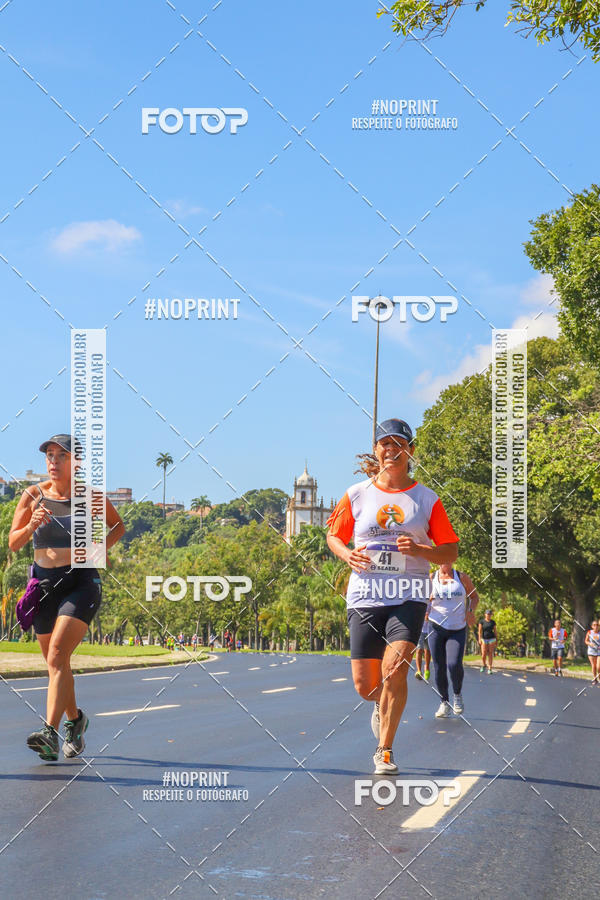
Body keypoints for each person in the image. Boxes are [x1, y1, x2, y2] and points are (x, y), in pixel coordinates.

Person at [326, 418, 459, 774]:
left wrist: (419, 549)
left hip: (409, 595)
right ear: (376, 450)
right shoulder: (357, 494)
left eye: (398, 444)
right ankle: (381, 702)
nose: (391, 450)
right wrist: (346, 554)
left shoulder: (426, 499)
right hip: (365, 595)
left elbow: (450, 551)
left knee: (395, 668)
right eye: (385, 444)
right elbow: (334, 536)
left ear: (410, 451)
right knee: (365, 685)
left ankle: (384, 750)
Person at [8, 434, 124, 761]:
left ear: (77, 462)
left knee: (58, 654)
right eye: (50, 455)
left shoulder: (90, 497)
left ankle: (49, 732)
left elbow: (117, 526)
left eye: (62, 455)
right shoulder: (33, 495)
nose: (54, 461)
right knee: (56, 663)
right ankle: (75, 719)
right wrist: (31, 525)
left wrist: (99, 549)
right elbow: (14, 543)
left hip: (80, 583)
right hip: (44, 586)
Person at [427, 564, 480, 716]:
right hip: (435, 626)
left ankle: (457, 694)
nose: (445, 562)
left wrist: (470, 611)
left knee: (454, 664)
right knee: (439, 667)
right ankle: (444, 702)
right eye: (441, 559)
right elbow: (421, 599)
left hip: (457, 627)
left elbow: (474, 597)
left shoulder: (462, 578)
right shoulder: (431, 578)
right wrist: (426, 603)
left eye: (448, 558)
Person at [414, 615, 431, 681]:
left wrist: (429, 617)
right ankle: (419, 671)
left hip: (429, 630)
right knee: (419, 649)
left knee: (427, 651)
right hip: (420, 630)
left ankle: (427, 668)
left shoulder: (432, 607)